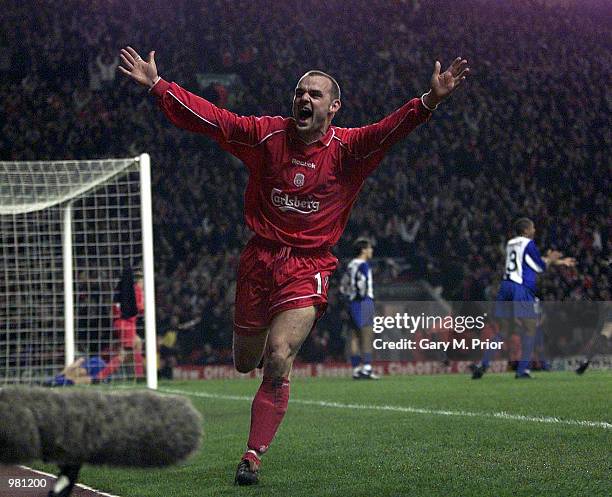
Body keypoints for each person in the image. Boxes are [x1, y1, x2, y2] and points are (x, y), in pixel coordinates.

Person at [118, 45, 469, 485]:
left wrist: (430, 100)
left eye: (315, 94)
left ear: (334, 107)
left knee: (278, 354)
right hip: (260, 259)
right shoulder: (266, 135)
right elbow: (215, 120)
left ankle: (252, 454)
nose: (304, 99)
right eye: (300, 92)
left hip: (309, 264)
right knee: (246, 361)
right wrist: (159, 86)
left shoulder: (349, 149)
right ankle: (260, 356)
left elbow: (389, 130)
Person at [471, 218, 575, 379]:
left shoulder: (511, 244)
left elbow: (527, 262)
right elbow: (538, 266)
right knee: (530, 329)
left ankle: (483, 364)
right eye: (532, 227)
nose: (534, 230)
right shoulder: (529, 244)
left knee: (503, 331)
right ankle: (522, 371)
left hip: (505, 287)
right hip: (520, 288)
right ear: (526, 230)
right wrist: (552, 259)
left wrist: (558, 261)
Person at [341, 238, 378, 379]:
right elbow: (362, 283)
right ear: (363, 250)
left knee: (354, 337)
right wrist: (363, 297)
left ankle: (356, 369)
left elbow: (343, 285)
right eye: (369, 248)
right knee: (367, 334)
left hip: (351, 302)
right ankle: (367, 368)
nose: (371, 251)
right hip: (364, 301)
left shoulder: (350, 265)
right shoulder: (363, 265)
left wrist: (348, 299)